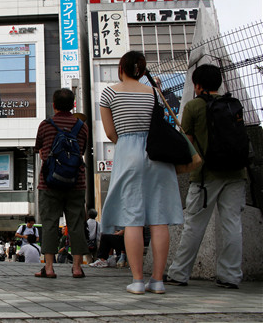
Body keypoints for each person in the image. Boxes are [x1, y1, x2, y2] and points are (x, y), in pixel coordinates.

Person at [99, 51, 183, 294]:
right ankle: (157, 281)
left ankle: (137, 280)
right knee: (159, 219)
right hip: (157, 154)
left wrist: (127, 141)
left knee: (133, 219)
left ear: (121, 67)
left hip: (128, 152)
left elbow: (110, 133)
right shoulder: (153, 93)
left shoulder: (110, 92)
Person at [165, 64, 248, 289]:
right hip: (236, 172)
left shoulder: (193, 106)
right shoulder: (233, 105)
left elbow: (187, 143)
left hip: (205, 176)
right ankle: (230, 276)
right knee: (232, 224)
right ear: (219, 83)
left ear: (197, 85)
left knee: (194, 224)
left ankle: (179, 273)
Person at [35, 88, 89, 279]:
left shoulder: (46, 125)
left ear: (54, 104)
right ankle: (76, 267)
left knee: (50, 223)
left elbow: (38, 148)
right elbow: (81, 150)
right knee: (75, 224)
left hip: (49, 182)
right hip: (76, 182)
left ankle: (49, 268)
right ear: (73, 104)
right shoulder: (82, 126)